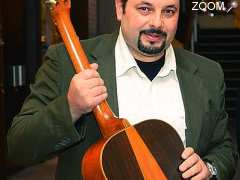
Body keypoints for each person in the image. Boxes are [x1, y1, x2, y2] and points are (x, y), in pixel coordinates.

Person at [7, 0, 238, 179]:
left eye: (169, 11)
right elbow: (19, 147)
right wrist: (71, 107)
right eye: (145, 9)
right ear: (120, 9)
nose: (157, 23)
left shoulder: (209, 73)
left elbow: (224, 148)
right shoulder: (66, 61)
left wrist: (209, 168)